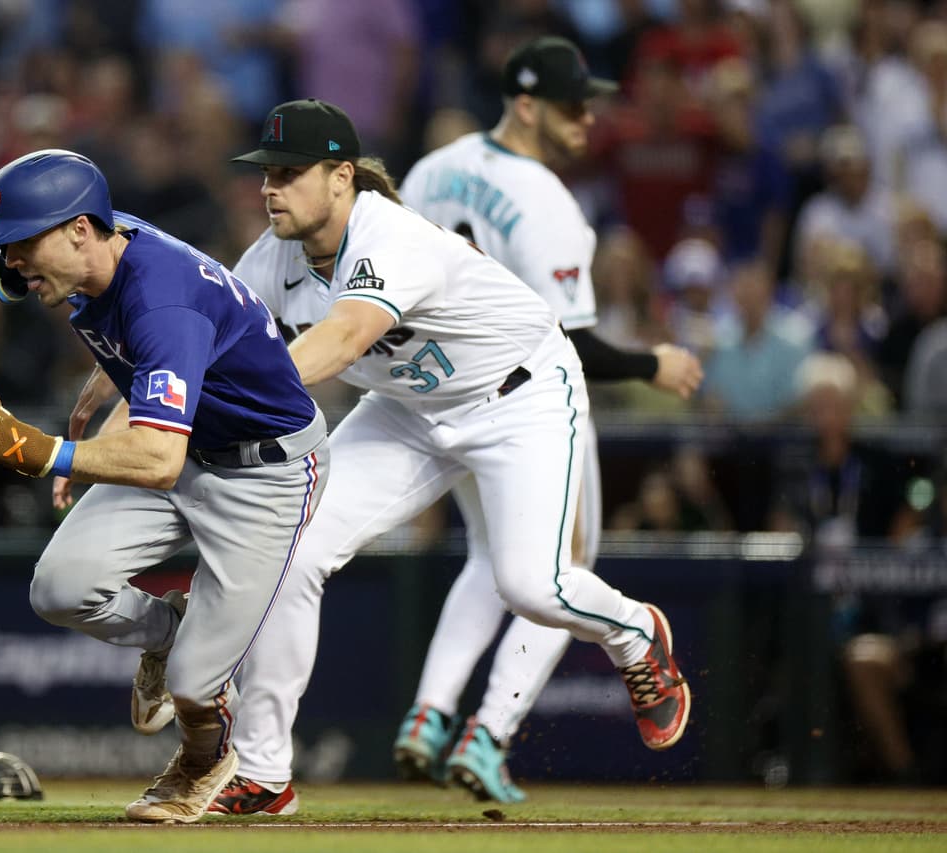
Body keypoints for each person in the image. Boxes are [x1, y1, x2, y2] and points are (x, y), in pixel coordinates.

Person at [205, 98, 690, 816]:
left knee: (531, 585)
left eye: (289, 173)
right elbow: (207, 329)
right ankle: (264, 772)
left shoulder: (386, 235)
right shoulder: (274, 256)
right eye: (267, 173)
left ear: (341, 176)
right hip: (409, 408)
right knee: (293, 552)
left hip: (517, 394)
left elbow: (341, 340)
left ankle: (635, 632)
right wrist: (126, 384)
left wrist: (216, 393)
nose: (270, 188)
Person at [0, 148, 330, 823]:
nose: (11, 260)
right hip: (187, 446)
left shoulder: (160, 297)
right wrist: (112, 386)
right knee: (60, 588)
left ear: (79, 230)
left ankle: (203, 761)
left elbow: (155, 457)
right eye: (6, 244)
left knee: (194, 686)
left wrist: (47, 454)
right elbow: (153, 346)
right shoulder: (101, 247)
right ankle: (168, 629)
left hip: (263, 474)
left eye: (22, 241)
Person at [391, 35, 705, 803]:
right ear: (526, 105)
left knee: (491, 559)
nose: (587, 117)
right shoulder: (547, 201)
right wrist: (652, 364)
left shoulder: (432, 170)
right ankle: (489, 733)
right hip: (529, 401)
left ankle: (430, 713)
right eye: (571, 105)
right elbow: (574, 341)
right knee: (562, 567)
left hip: (441, 392)